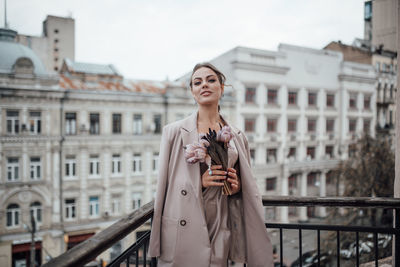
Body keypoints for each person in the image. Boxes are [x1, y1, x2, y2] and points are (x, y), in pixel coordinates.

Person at [149, 62, 273, 267]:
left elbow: (247, 184)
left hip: (221, 225)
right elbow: (163, 187)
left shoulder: (237, 136)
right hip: (184, 227)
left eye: (211, 80)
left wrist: (237, 187)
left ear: (221, 88)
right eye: (197, 82)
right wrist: (200, 182)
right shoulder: (173, 132)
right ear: (192, 91)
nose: (204, 85)